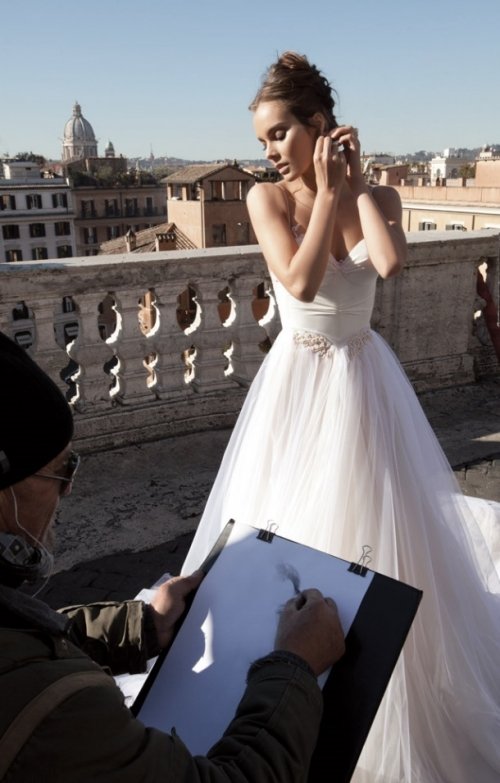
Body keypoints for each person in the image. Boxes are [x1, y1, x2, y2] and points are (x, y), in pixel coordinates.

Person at [181, 52, 500, 782]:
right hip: (296, 383)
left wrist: (353, 188)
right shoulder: (265, 199)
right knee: (291, 524)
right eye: (263, 138)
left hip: (363, 379)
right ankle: (287, 684)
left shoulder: (376, 194)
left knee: (380, 528)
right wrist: (324, 192)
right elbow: (298, 281)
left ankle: (383, 688)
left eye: (280, 132)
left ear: (320, 124)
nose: (270, 150)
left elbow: (387, 264)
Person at [0, 331, 345, 782]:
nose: (67, 490)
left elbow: (24, 645)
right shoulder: (55, 711)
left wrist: (141, 625)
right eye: (61, 470)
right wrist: (295, 667)